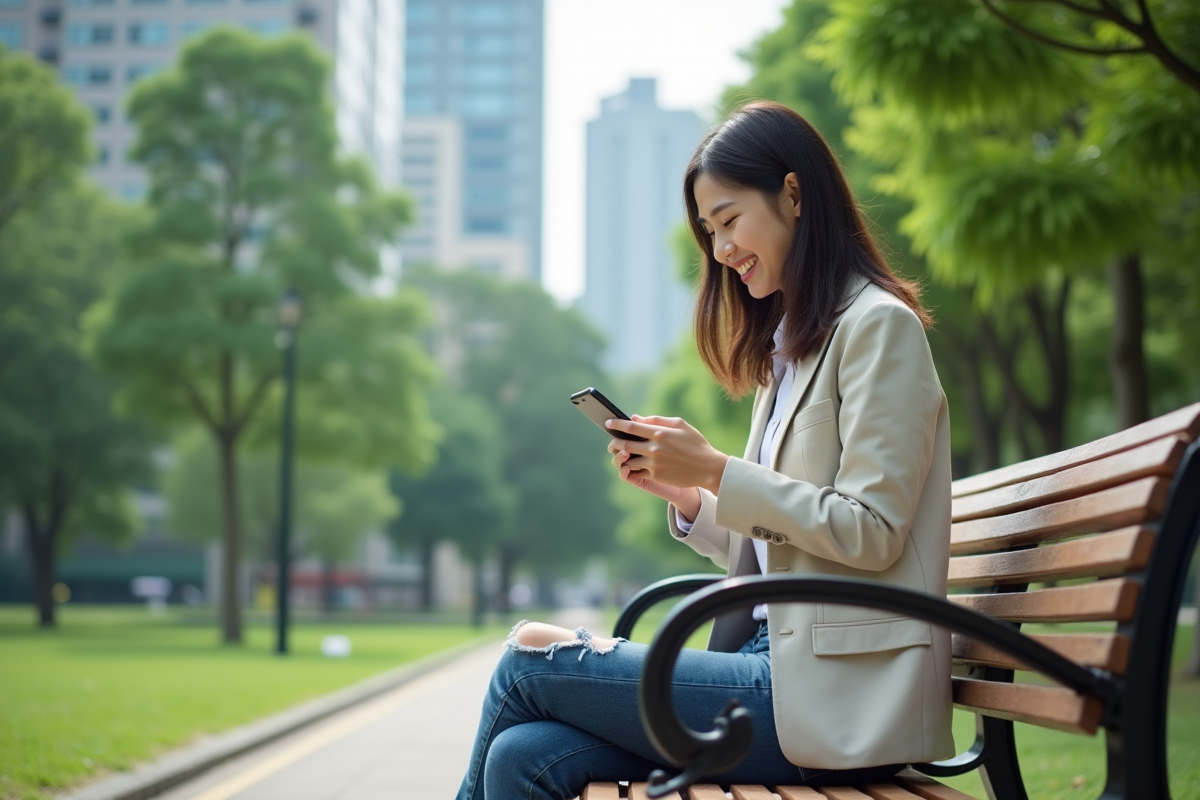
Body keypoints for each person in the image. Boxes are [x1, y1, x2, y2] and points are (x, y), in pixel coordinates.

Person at [454, 101, 954, 800]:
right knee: (522, 755)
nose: (720, 250)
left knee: (529, 659)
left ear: (793, 194)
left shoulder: (879, 329)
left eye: (728, 220)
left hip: (832, 696)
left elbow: (870, 533)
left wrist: (718, 469)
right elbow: (792, 549)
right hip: (773, 670)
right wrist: (693, 498)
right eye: (708, 232)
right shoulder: (793, 354)